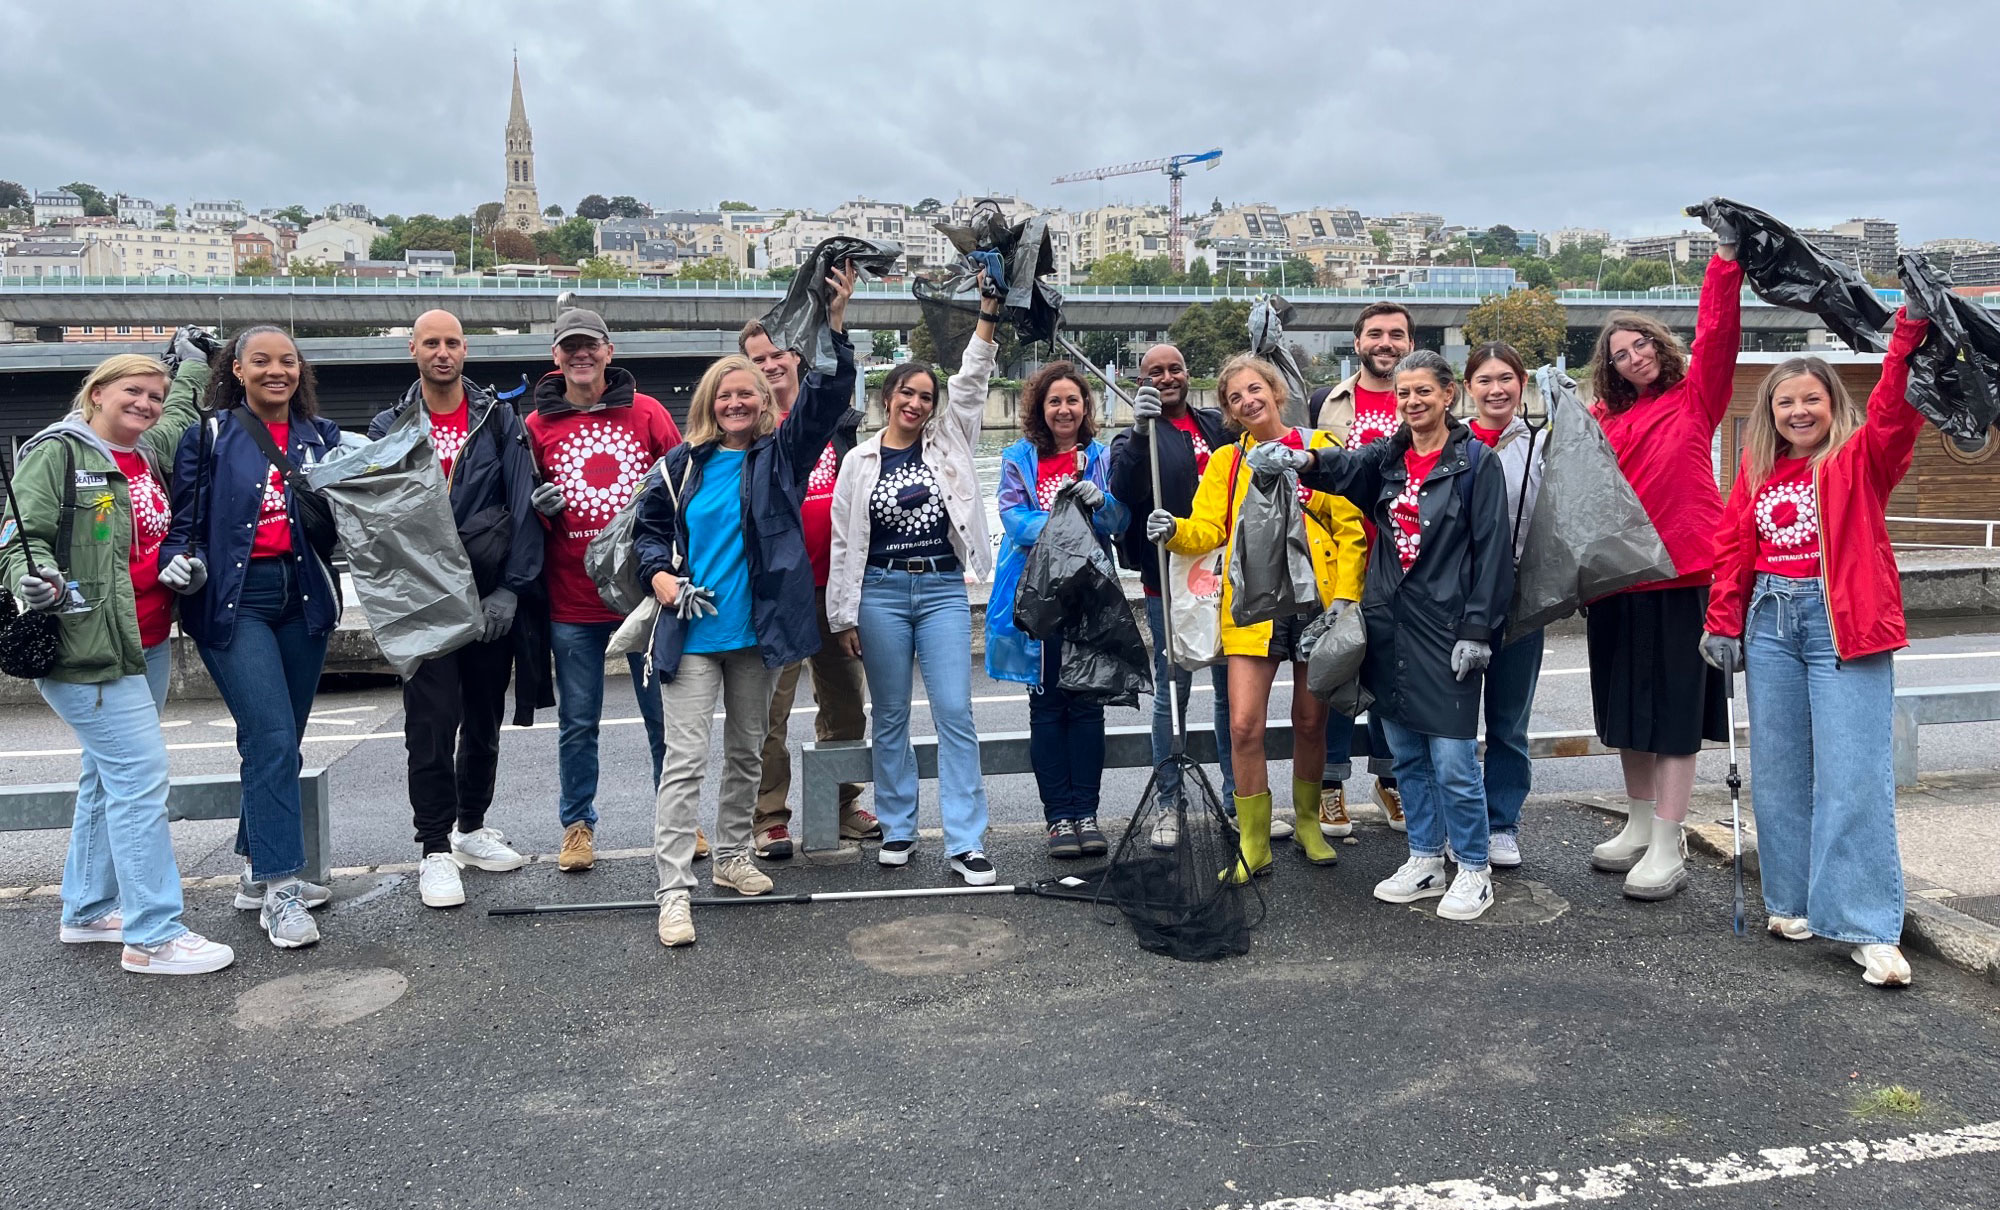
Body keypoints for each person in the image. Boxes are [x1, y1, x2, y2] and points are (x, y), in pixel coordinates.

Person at [1700, 300, 1931, 987]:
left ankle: (1866, 926)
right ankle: (1793, 901)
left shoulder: (1862, 460)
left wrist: (1911, 329)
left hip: (1842, 623)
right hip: (1770, 619)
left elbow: (1895, 406)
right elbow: (1735, 544)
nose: (1798, 412)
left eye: (1812, 399)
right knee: (1780, 769)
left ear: (1834, 405)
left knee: (1852, 772)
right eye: (1785, 403)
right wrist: (1722, 619)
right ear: (1770, 413)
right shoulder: (1760, 473)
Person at [634, 263, 858, 947]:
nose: (735, 402)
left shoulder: (782, 457)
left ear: (765, 401)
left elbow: (827, 398)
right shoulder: (680, 465)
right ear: (709, 402)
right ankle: (673, 891)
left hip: (757, 633)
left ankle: (732, 857)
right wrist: (660, 580)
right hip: (693, 631)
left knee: (745, 753)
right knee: (683, 761)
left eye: (747, 394)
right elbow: (647, 534)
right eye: (725, 394)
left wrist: (834, 323)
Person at [2, 337, 234, 975]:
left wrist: (192, 363)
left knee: (105, 781)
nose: (147, 403)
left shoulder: (146, 453)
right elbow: (20, 538)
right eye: (131, 390)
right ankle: (153, 935)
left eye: (153, 395)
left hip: (147, 638)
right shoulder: (57, 453)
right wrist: (36, 577)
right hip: (88, 645)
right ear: (96, 392)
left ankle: (86, 909)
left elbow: (185, 411)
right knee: (139, 783)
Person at [1262, 351, 1514, 921]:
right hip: (1388, 623)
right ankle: (1425, 856)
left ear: (1449, 395)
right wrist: (1300, 460)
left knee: (1452, 757)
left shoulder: (1475, 462)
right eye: (1403, 393)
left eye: (1423, 391)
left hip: (1446, 626)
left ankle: (1473, 866)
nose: (1412, 402)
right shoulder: (1391, 454)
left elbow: (1494, 554)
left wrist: (1478, 630)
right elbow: (1345, 469)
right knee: (1405, 753)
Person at [1147, 354, 1365, 882]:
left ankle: (1309, 823)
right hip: (1254, 608)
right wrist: (1171, 529)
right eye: (1235, 398)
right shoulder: (1226, 462)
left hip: (1319, 603)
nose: (1248, 401)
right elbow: (1207, 530)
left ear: (1275, 390)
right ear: (1230, 411)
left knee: (1311, 721)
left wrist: (1346, 598)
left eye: (1254, 389)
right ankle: (1254, 839)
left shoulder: (1320, 450)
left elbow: (1351, 526)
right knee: (1244, 725)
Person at [163, 325, 344, 950]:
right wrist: (176, 560)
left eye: (288, 361)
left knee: (282, 742)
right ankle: (281, 888)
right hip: (235, 602)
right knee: (269, 737)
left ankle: (255, 869)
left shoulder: (325, 439)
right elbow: (182, 525)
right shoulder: (208, 436)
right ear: (235, 371)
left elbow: (353, 522)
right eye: (261, 361)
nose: (277, 371)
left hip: (305, 597)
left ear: (301, 372)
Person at [1584, 216, 1742, 900]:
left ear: (1659, 344)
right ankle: (1641, 823)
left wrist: (1725, 261)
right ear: (1609, 366)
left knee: (1676, 711)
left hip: (1685, 574)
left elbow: (1719, 338)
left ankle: (1671, 838)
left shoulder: (1695, 398)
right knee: (1626, 712)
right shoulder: (1602, 421)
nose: (1632, 356)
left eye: (1639, 342)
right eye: (1618, 353)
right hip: (1619, 580)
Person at [367, 310, 544, 908]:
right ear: (413, 350)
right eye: (431, 343)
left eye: (453, 343)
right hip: (423, 603)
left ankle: (471, 827)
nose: (443, 352)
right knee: (431, 726)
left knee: (483, 720)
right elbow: (376, 525)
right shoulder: (389, 425)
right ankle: (434, 848)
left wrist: (512, 588)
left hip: (488, 595)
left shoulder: (498, 420)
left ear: (466, 351)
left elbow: (521, 504)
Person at [827, 291, 999, 886]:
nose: (917, 403)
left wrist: (988, 317)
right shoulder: (860, 461)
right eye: (908, 393)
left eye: (927, 396)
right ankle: (898, 829)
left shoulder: (951, 441)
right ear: (887, 397)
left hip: (943, 590)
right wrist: (842, 616)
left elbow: (973, 380)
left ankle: (966, 841)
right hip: (879, 595)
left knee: (955, 712)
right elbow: (844, 546)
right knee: (892, 715)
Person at [1111, 344, 1297, 843]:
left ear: (1187, 374)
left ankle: (1240, 800)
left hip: (1230, 579)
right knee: (1172, 693)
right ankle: (1168, 802)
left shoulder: (1219, 425)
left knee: (1229, 696)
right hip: (1168, 580)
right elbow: (1124, 488)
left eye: (1174, 369)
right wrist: (1136, 431)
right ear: (1140, 381)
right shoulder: (1138, 435)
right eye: (1154, 372)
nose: (1166, 378)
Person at [524, 307, 685, 873]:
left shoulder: (648, 414)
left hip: (645, 596)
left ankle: (678, 818)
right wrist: (536, 509)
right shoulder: (536, 428)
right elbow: (520, 512)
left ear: (609, 351)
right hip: (571, 599)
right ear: (556, 357)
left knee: (663, 715)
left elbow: (682, 489)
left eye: (590, 345)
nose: (581, 355)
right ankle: (577, 826)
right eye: (570, 347)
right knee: (578, 720)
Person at [741, 315, 878, 858]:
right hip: (777, 595)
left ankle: (841, 805)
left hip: (836, 591)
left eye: (778, 353)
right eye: (758, 357)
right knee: (767, 714)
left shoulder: (835, 424)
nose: (771, 364)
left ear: (797, 356)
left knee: (846, 705)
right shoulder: (747, 427)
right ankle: (769, 817)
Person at [988, 361, 1129, 858]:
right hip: (1039, 599)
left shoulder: (1102, 458)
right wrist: (1064, 519)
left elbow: (1118, 520)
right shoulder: (1015, 458)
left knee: (1088, 704)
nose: (1064, 409)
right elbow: (1012, 519)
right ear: (1040, 409)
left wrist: (1101, 500)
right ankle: (1058, 818)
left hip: (1090, 599)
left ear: (1085, 407)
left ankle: (1087, 813)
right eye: (1054, 401)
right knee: (1047, 707)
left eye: (1073, 400)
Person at [1308, 302, 1416, 837]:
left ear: (1410, 343)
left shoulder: (1423, 398)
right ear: (1357, 343)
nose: (1386, 343)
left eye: (1397, 334)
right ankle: (1331, 784)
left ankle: (1389, 778)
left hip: (1402, 558)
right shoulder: (1323, 402)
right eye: (1375, 333)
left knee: (1393, 669)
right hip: (1341, 557)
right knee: (1337, 663)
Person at [1464, 342, 1547, 868]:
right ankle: (1462, 820)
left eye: (1507, 378)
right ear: (1467, 387)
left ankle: (1501, 822)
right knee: (1451, 722)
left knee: (1508, 720)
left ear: (1522, 383)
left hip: (1520, 597)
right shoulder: (1452, 442)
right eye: (1485, 380)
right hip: (1457, 598)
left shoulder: (1541, 441)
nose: (1497, 389)